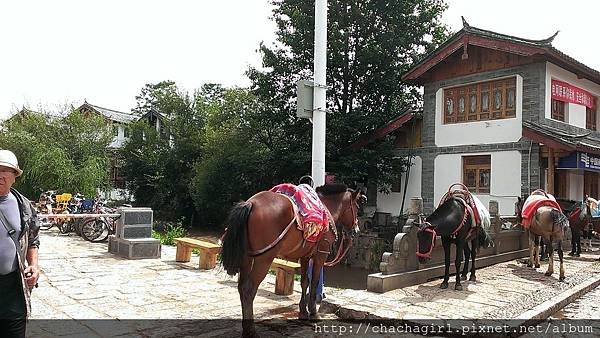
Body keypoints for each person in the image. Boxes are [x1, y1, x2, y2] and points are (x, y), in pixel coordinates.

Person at [0, 150, 40, 338]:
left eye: (6, 170)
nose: (0, 175)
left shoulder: (24, 205)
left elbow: (33, 239)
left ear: (15, 176)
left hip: (13, 288)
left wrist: (33, 265)